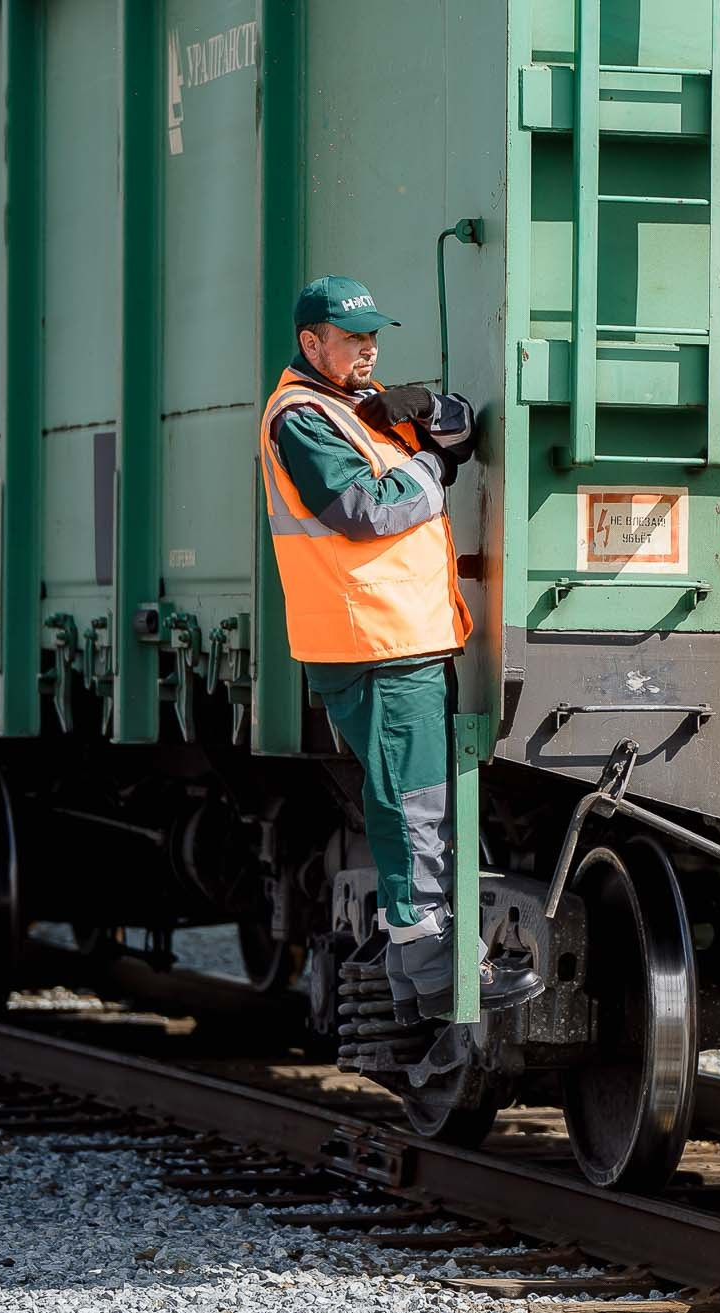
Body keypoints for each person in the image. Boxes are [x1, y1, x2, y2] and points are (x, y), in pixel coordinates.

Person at [258, 274, 538, 1022]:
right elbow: (364, 508)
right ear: (312, 343)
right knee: (412, 804)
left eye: (373, 336)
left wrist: (427, 409)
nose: (368, 348)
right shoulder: (302, 416)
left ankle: (425, 970)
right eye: (353, 339)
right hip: (370, 641)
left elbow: (460, 434)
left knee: (424, 798)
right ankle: (431, 966)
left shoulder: (359, 405)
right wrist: (431, 469)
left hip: (402, 637)